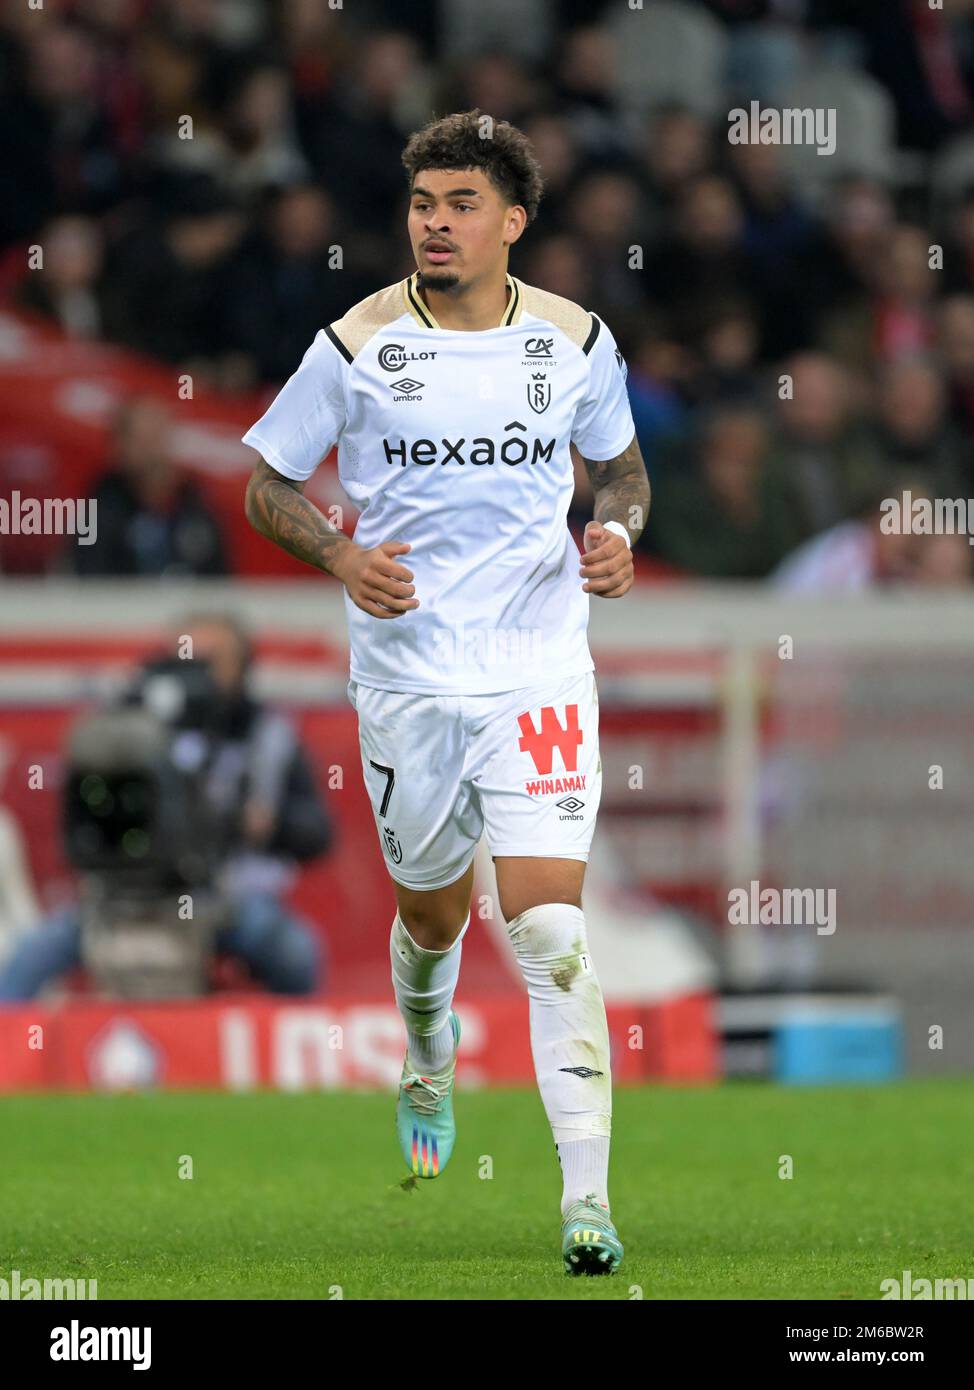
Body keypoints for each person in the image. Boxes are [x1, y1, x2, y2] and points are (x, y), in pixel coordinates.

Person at [242, 109, 650, 1276]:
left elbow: (620, 473)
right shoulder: (357, 343)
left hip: (535, 669)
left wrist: (613, 533)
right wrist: (337, 555)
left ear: (512, 222)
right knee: (430, 919)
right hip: (409, 679)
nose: (435, 222)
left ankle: (586, 1201)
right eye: (422, 203)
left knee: (549, 932)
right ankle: (427, 1049)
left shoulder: (573, 342)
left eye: (461, 203)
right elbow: (268, 481)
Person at [0, 614, 330, 1002]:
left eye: (211, 661)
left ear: (242, 668)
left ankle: (291, 1053)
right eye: (185, 658)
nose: (195, 673)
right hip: (123, 896)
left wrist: (267, 825)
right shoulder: (125, 726)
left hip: (224, 893)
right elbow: (82, 809)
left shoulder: (269, 735)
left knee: (294, 951)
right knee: (29, 958)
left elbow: (317, 832)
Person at [67, 396, 228, 578]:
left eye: (158, 439)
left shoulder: (197, 506)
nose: (153, 453)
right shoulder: (100, 511)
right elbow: (87, 585)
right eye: (142, 441)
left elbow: (220, 585)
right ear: (119, 447)